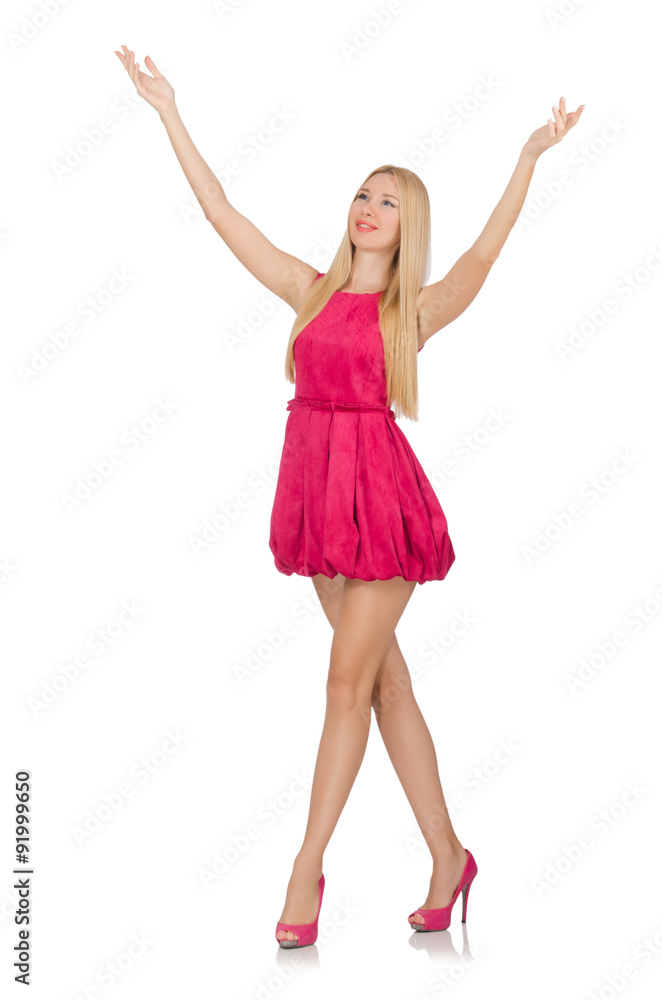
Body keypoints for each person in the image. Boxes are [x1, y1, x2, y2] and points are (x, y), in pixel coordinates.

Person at [114, 45, 584, 947]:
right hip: (320, 505)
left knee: (342, 682)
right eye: (364, 195)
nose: (370, 210)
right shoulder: (310, 289)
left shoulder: (414, 313)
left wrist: (527, 156)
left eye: (391, 202)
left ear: (409, 229)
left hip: (384, 505)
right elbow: (221, 212)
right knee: (383, 684)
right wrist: (169, 109)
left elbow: (486, 252)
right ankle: (449, 855)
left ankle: (304, 868)